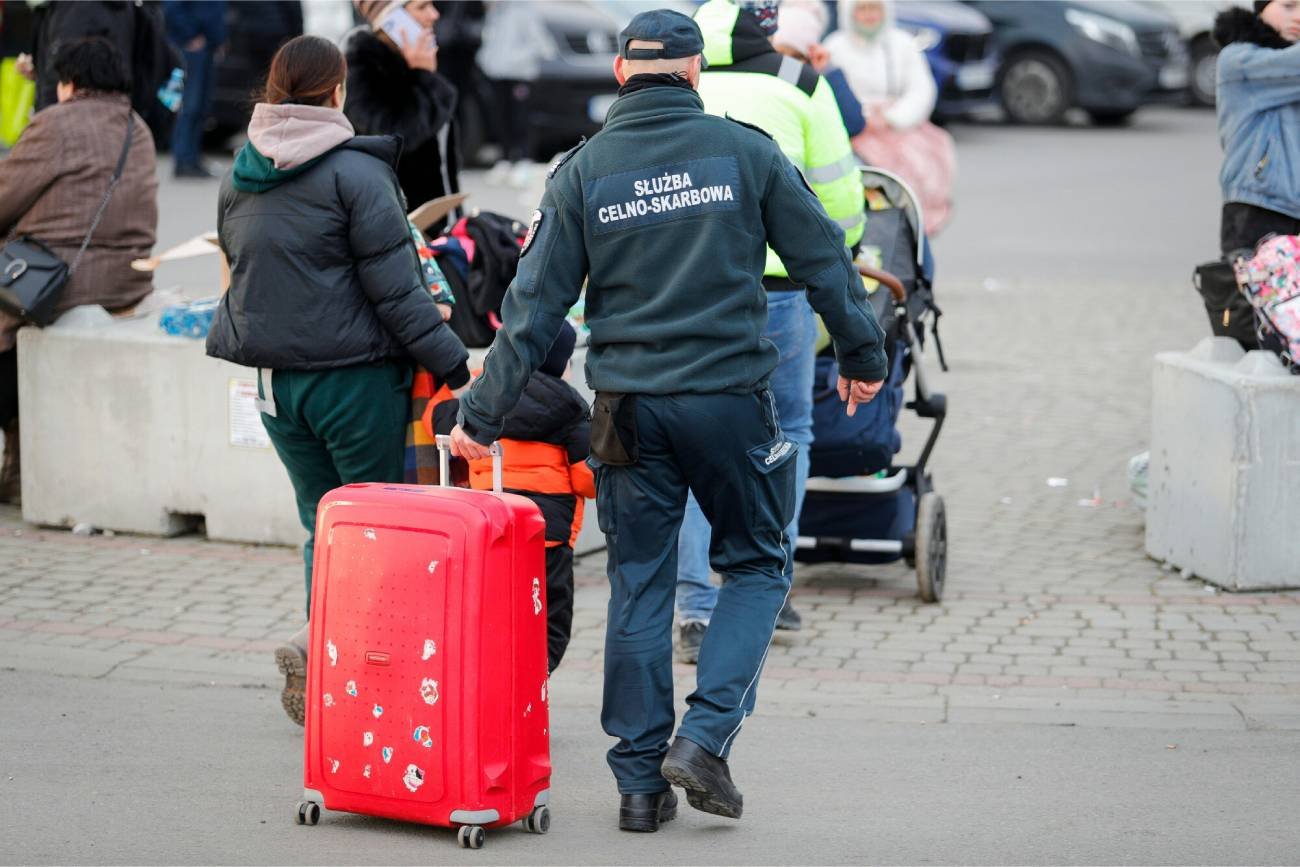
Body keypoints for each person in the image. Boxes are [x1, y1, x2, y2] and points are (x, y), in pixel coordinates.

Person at [449, 9, 886, 832]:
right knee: (757, 563)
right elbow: (825, 257)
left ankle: (639, 787)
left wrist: (479, 412)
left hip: (627, 412)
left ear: (620, 74)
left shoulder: (582, 173)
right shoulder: (746, 151)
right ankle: (707, 736)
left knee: (641, 583)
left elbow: (533, 313)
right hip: (730, 401)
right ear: (695, 73)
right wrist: (863, 357)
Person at [205, 34, 471, 726]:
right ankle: (360, 675)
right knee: (379, 532)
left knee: (322, 524)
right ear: (336, 92)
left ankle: (326, 666)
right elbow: (398, 290)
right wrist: (455, 364)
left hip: (276, 387)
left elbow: (238, 268)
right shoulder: (355, 174)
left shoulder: (240, 174)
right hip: (354, 383)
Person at [669, 0, 866, 662]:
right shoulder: (800, 81)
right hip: (781, 294)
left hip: (691, 293)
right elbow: (840, 199)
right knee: (788, 433)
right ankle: (769, 587)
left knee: (695, 443)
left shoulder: (680, 87)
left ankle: (695, 608)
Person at [0, 36, 159, 505]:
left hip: (58, 283)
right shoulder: (139, 128)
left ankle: (20, 469)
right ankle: (18, 471)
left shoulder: (55, 124)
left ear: (68, 82)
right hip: (127, 280)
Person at [431, 321, 594, 674]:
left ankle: (487, 669)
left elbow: (440, 421)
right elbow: (586, 480)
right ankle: (538, 673)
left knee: (493, 604)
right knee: (549, 612)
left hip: (489, 528)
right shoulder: (570, 406)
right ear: (561, 362)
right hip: (545, 534)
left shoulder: (481, 398)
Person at [825, 0, 955, 234]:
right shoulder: (835, 46)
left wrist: (894, 117)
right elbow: (831, 93)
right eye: (862, 9)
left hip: (898, 127)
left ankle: (909, 236)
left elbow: (921, 89)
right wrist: (864, 116)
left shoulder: (902, 44)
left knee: (919, 173)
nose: (869, 16)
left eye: (874, 9)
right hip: (853, 131)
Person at [344, 0, 461, 236]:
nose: (434, 14)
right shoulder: (362, 68)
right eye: (422, 7)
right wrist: (425, 78)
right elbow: (393, 139)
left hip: (436, 230)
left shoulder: (415, 62)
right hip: (393, 235)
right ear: (390, 19)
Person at [1213, 0, 1300, 256]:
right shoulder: (1239, 59)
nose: (1298, 17)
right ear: (1261, 8)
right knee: (1260, 296)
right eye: (1288, 6)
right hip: (1259, 208)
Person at [772, 2, 866, 138]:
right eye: (780, 54)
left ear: (810, 58)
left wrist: (827, 71)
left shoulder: (818, 81)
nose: (788, 63)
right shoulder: (760, 75)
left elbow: (853, 124)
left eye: (796, 56)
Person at [163, 0, 227, 179]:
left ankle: (192, 158)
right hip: (191, 49)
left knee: (201, 106)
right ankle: (183, 160)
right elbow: (172, 8)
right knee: (189, 106)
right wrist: (189, 35)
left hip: (207, 48)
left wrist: (219, 39)